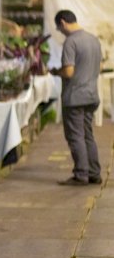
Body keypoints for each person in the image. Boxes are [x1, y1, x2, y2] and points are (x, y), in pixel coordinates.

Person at [50, 10, 102, 186]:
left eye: (59, 27)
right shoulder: (93, 40)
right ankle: (94, 173)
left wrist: (56, 71)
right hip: (91, 95)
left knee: (75, 136)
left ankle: (81, 174)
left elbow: (69, 71)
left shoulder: (71, 42)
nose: (60, 31)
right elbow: (98, 67)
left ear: (63, 23)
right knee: (88, 135)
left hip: (75, 97)